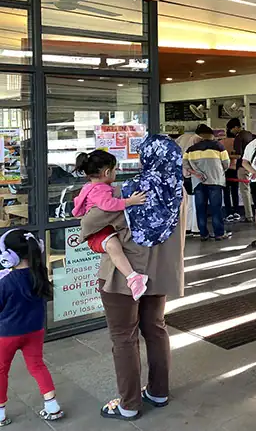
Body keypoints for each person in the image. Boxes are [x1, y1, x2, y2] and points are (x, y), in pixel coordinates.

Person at [81, 136, 185, 421]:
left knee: (124, 338)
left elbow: (90, 222)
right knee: (156, 329)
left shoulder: (131, 189)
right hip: (159, 275)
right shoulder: (178, 190)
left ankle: (129, 404)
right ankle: (159, 392)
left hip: (124, 277)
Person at [0, 230, 64, 425]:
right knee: (37, 366)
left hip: (7, 333)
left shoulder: (5, 282)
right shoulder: (40, 275)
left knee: (1, 369)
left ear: (9, 256)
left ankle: (0, 413)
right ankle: (52, 405)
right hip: (35, 330)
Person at [72, 150, 149, 299]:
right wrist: (129, 202)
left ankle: (133, 277)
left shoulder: (89, 186)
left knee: (114, 248)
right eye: (115, 169)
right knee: (114, 248)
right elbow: (108, 205)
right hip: (99, 234)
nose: (116, 172)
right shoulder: (100, 189)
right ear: (107, 172)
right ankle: (132, 277)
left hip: (100, 231)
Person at [183, 124, 231, 241]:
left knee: (200, 209)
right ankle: (219, 233)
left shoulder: (191, 149)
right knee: (216, 209)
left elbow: (185, 164)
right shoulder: (219, 147)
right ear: (211, 135)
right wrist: (218, 171)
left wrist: (195, 173)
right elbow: (226, 163)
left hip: (198, 183)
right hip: (215, 181)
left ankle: (203, 234)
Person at [228, 118, 255, 223]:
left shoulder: (238, 137)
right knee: (254, 190)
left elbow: (238, 155)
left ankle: (249, 215)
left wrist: (229, 155)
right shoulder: (249, 134)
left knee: (245, 190)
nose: (231, 131)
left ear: (235, 127)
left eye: (231, 129)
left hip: (243, 166)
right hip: (253, 166)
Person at [221, 128, 240, 223]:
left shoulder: (221, 142)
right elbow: (239, 155)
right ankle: (236, 211)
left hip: (224, 169)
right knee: (235, 191)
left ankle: (228, 212)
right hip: (234, 168)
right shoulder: (236, 141)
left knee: (226, 192)